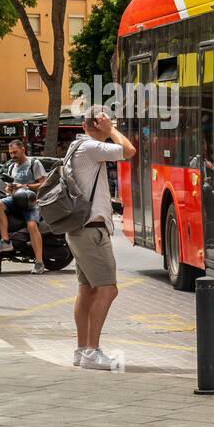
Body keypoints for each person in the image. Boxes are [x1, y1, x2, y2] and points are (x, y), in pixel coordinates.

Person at [67, 106, 136, 371]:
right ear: (97, 123)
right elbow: (129, 150)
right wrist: (112, 131)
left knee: (87, 291)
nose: (110, 128)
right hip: (91, 231)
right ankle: (92, 352)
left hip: (79, 230)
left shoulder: (76, 147)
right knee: (108, 289)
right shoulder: (91, 147)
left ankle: (81, 349)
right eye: (106, 123)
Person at [0, 139, 47, 273]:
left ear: (23, 150)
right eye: (10, 153)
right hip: (15, 200)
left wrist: (25, 186)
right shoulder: (12, 167)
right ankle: (6, 241)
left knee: (32, 226)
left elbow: (44, 184)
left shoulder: (34, 163)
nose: (13, 156)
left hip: (31, 203)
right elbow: (9, 187)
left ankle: (39, 262)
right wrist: (9, 188)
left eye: (15, 152)